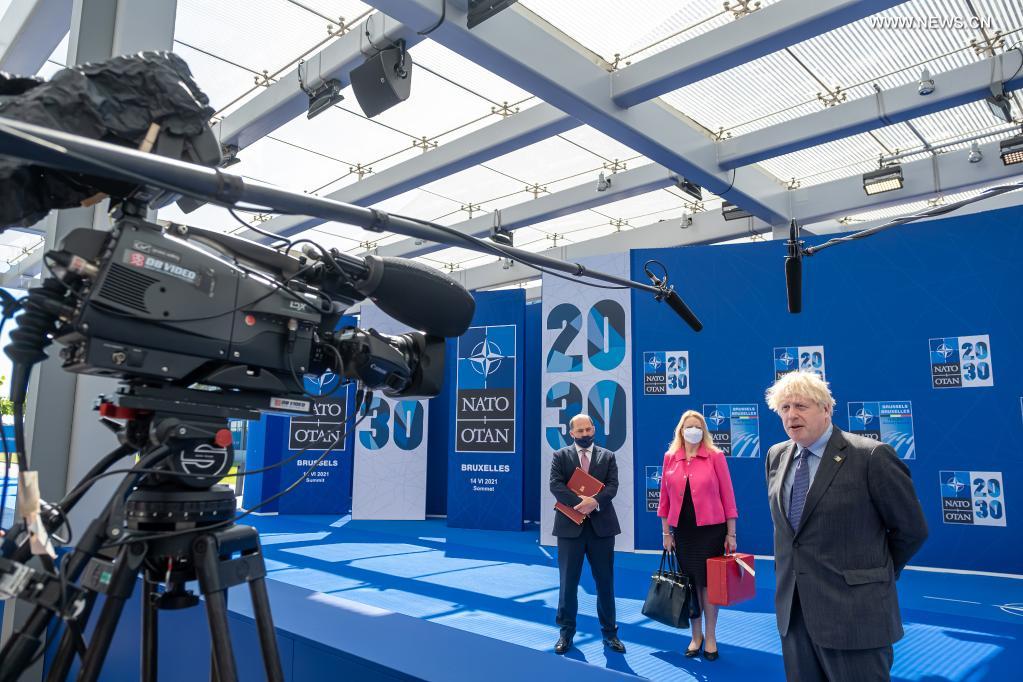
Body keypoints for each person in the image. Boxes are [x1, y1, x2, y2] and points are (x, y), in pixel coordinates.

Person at [764, 371, 928, 682]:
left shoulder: (871, 456)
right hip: (795, 616)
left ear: (826, 409)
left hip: (855, 615)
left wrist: (872, 575)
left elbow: (911, 529)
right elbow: (790, 534)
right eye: (784, 408)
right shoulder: (776, 456)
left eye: (801, 406)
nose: (791, 415)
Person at [657, 409, 738, 661]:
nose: (693, 430)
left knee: (708, 586)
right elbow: (664, 499)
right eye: (688, 426)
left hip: (711, 533)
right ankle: (696, 636)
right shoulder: (671, 457)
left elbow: (728, 496)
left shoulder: (715, 456)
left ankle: (711, 636)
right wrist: (666, 532)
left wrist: (731, 534)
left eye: (698, 426)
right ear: (681, 431)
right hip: (683, 534)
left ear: (704, 431)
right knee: (690, 586)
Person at [550, 413, 625, 655]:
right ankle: (566, 633)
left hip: (601, 530)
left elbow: (613, 485)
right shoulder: (560, 456)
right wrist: (579, 503)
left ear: (594, 429)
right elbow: (555, 484)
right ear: (571, 433)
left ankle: (610, 634)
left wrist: (595, 501)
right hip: (570, 529)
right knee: (568, 584)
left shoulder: (608, 456)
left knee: (605, 583)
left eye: (588, 429)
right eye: (579, 431)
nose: (585, 434)